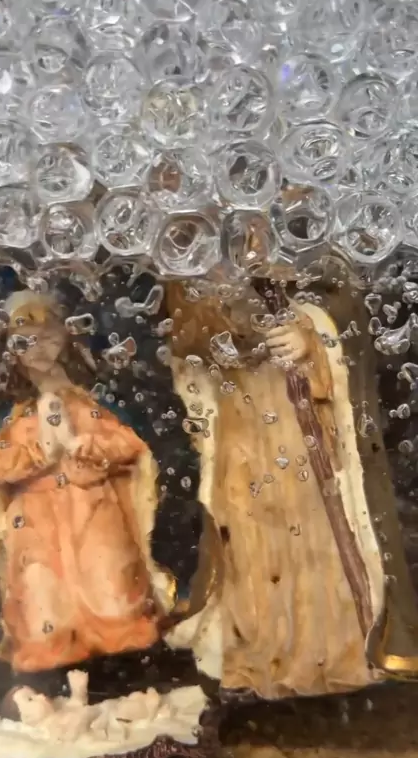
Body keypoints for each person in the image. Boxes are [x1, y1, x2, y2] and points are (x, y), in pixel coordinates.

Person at [166, 241, 418, 699]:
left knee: (313, 529)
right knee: (251, 533)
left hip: (299, 419)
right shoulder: (190, 245)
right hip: (241, 418)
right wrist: (228, 325)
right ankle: (264, 648)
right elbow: (187, 334)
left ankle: (328, 647)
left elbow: (347, 306)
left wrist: (312, 333)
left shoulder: (305, 238)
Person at [0, 290, 161, 673]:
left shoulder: (87, 401)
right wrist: (39, 453)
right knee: (45, 605)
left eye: (48, 337)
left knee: (112, 593)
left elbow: (130, 445)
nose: (38, 348)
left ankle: (122, 670)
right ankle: (56, 674)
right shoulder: (11, 415)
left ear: (64, 338)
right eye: (25, 341)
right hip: (37, 523)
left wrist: (85, 445)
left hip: (94, 511)